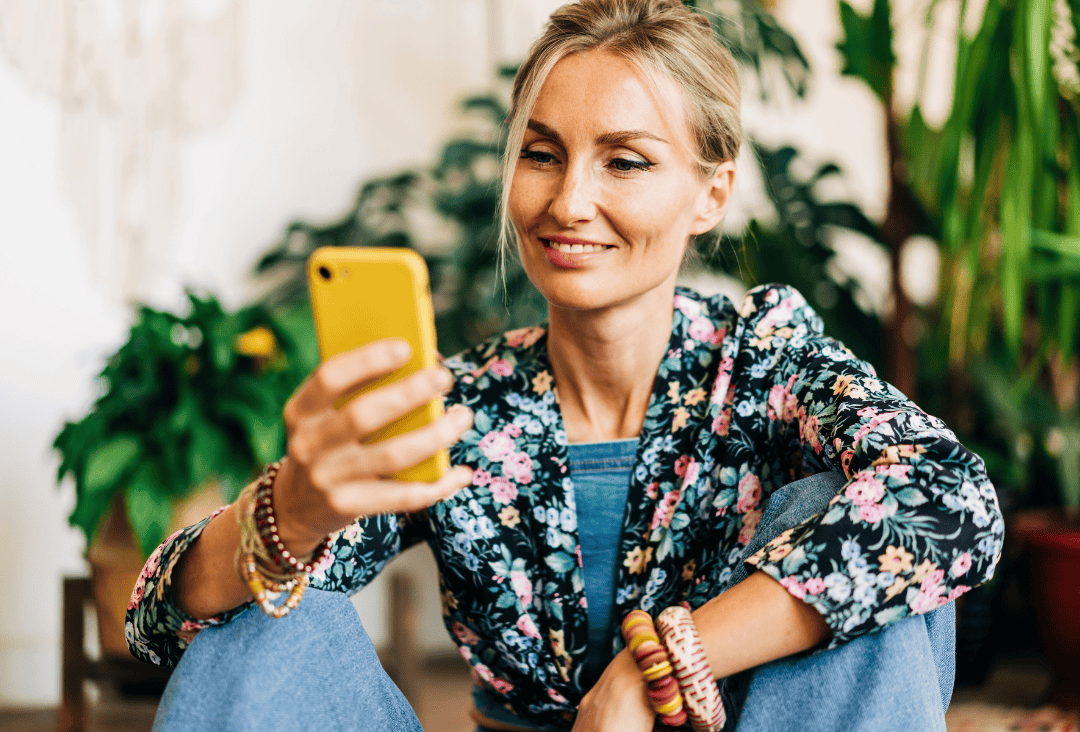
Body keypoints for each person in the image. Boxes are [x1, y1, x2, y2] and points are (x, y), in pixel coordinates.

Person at [126, 1, 1003, 730]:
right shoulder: (462, 407)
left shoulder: (766, 360)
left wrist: (653, 665)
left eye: (625, 161)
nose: (568, 201)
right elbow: (157, 621)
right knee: (267, 607)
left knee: (857, 527)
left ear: (712, 192)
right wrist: (286, 518)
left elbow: (955, 502)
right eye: (542, 154)